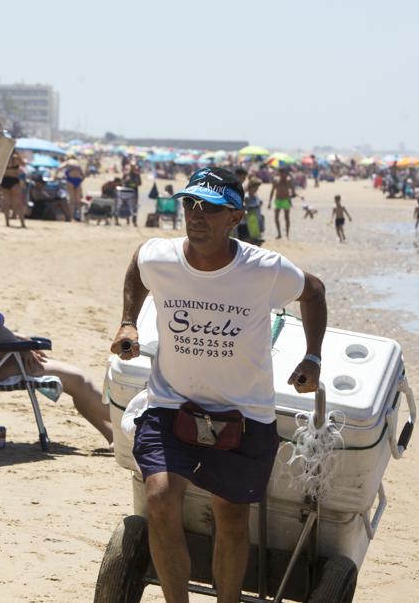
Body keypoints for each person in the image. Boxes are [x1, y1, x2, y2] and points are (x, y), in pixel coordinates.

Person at [112, 167, 326, 603]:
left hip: (244, 413)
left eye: (210, 207)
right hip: (171, 404)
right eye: (189, 203)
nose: (196, 214)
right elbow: (137, 264)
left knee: (230, 518)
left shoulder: (264, 269)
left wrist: (313, 358)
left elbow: (315, 292)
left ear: (235, 216)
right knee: (158, 496)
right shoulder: (162, 256)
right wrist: (128, 321)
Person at [0, 237, 112, 444]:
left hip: (5, 359)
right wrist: (19, 347)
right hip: (0, 365)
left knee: (77, 383)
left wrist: (18, 340)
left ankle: (114, 436)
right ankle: (133, 425)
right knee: (80, 381)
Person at [0, 150, 26, 228]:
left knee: (9, 203)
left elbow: (1, 171)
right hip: (13, 180)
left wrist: (8, 171)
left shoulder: (3, 158)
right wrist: (14, 171)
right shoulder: (15, 158)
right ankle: (22, 223)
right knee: (16, 203)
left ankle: (8, 223)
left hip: (6, 181)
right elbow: (22, 166)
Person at [268, 167, 297, 240]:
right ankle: (279, 233)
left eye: (283, 173)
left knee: (286, 218)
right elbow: (272, 191)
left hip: (285, 200)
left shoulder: (289, 180)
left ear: (285, 173)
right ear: (279, 173)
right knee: (276, 217)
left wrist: (292, 195)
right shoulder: (276, 180)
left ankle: (287, 234)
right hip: (278, 200)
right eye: (281, 173)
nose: (282, 175)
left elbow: (293, 192)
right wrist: (269, 202)